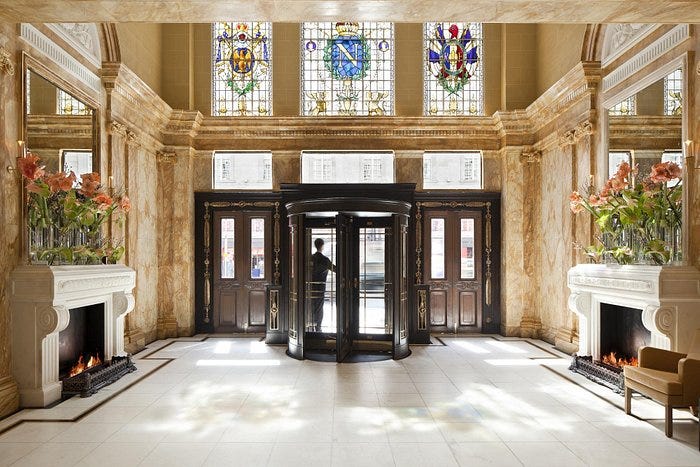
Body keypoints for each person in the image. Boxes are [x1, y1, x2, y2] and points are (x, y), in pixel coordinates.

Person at [310, 238, 335, 331]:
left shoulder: (310, 258)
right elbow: (335, 269)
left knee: (311, 305)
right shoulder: (325, 260)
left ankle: (310, 325)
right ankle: (318, 327)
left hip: (310, 286)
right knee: (319, 307)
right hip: (320, 287)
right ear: (322, 246)